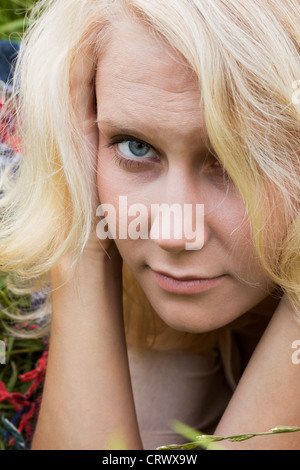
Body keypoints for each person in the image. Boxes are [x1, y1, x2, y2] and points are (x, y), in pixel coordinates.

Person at [0, 0, 299, 450]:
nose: (172, 233)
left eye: (235, 159)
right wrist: (78, 233)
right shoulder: (84, 162)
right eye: (135, 147)